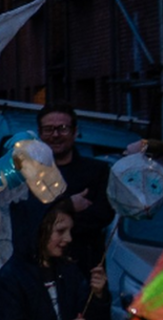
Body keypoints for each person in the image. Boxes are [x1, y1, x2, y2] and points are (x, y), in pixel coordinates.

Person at [11, 103, 111, 276]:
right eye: (49, 129)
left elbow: (102, 216)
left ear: (75, 131)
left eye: (63, 128)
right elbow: (21, 219)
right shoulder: (26, 174)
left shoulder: (97, 171)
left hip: (83, 270)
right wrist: (69, 205)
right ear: (40, 133)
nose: (55, 135)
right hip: (36, 271)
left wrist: (47, 217)